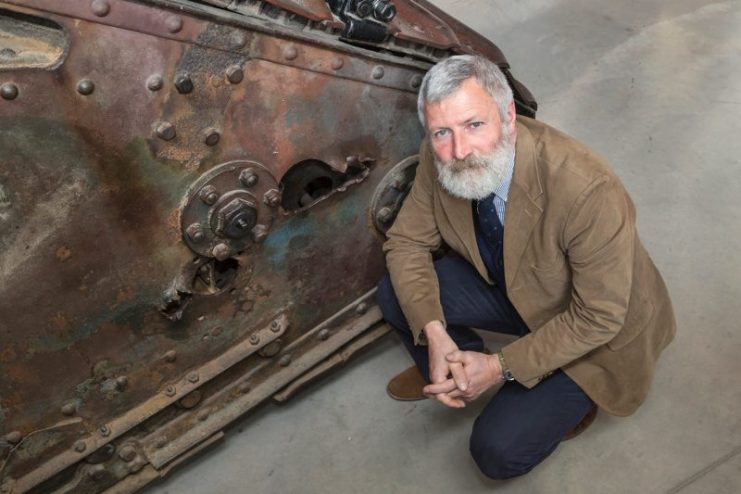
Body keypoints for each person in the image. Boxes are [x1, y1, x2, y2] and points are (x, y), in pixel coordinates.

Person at [377, 55, 676, 479]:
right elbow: (406, 242)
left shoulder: (586, 188)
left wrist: (501, 368)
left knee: (497, 452)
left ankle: (574, 397)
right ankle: (456, 366)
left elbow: (599, 316)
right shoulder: (437, 155)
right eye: (442, 132)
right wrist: (435, 333)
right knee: (395, 294)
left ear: (509, 117)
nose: (459, 151)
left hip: (592, 326)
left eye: (474, 125)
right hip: (516, 283)